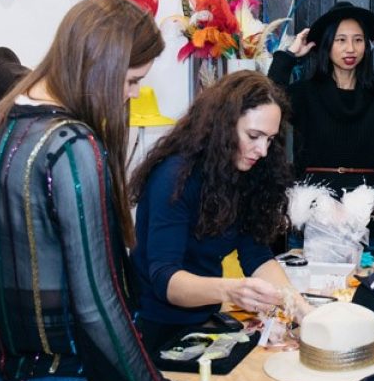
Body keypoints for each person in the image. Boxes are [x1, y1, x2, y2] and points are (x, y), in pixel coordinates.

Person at [0, 0, 217, 381]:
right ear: (102, 65)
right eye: (132, 80)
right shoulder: (73, 145)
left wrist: (13, 328)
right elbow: (98, 300)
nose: (133, 94)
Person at [130, 71, 311, 352]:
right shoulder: (174, 178)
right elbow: (167, 279)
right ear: (223, 126)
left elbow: (257, 256)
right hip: (156, 330)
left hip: (203, 322)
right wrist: (231, 290)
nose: (262, 150)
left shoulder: (246, 173)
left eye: (270, 139)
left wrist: (301, 309)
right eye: (254, 136)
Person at [267, 1, 374, 194]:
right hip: (313, 202)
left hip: (366, 203)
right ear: (326, 44)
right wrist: (288, 56)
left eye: (358, 40)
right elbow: (266, 103)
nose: (350, 48)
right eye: (341, 40)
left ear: (366, 46)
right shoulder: (304, 94)